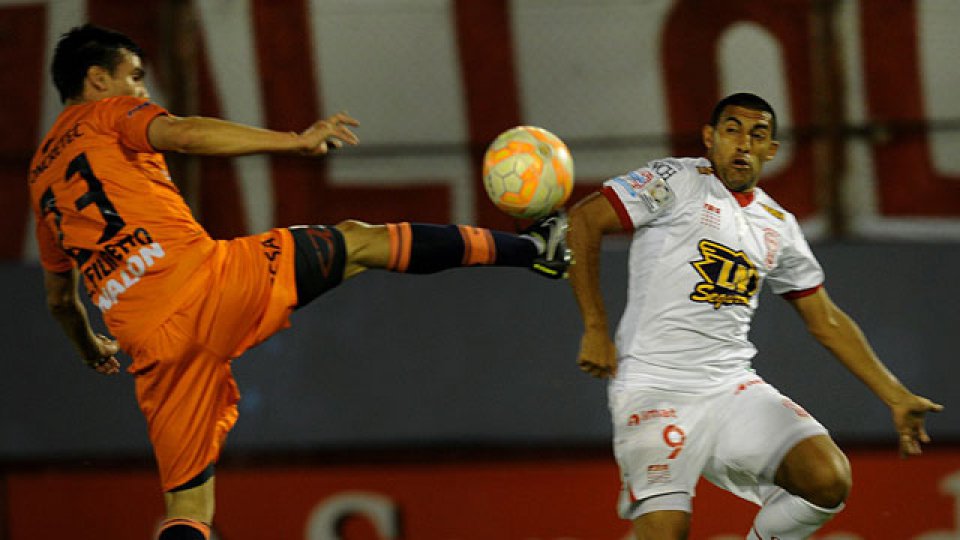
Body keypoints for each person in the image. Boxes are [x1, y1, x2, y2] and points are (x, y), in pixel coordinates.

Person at [30, 24, 569, 540]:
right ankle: (534, 250)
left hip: (149, 344)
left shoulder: (40, 179)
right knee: (359, 241)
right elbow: (186, 133)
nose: (141, 89)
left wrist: (89, 348)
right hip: (210, 284)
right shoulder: (109, 113)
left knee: (188, 506)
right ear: (99, 79)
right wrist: (295, 142)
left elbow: (60, 300)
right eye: (135, 76)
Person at [566, 92, 943, 539]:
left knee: (827, 479)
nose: (743, 143)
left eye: (757, 134)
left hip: (729, 387)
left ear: (771, 150)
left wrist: (895, 395)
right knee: (666, 531)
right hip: (654, 387)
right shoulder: (675, 180)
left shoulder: (775, 223)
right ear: (710, 137)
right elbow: (585, 220)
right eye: (732, 130)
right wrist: (595, 327)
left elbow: (826, 320)